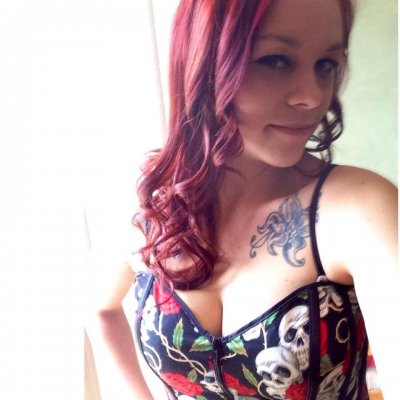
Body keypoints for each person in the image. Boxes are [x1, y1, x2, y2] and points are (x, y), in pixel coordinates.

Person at [88, 0, 398, 399]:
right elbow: (98, 308)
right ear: (204, 63)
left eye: (326, 64)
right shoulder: (151, 200)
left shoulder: (361, 209)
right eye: (275, 60)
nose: (311, 96)